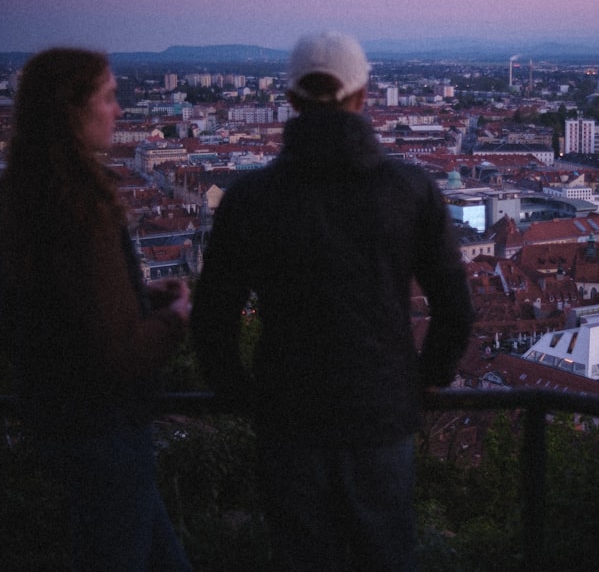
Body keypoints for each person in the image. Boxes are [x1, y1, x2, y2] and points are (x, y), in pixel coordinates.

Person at [191, 31, 474, 571]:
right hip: (380, 415)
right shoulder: (410, 190)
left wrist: (244, 395)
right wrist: (420, 382)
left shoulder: (248, 197)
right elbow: (454, 310)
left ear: (291, 100)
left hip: (288, 417)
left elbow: (213, 320)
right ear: (364, 96)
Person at [0, 48, 192, 571]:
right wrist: (177, 317)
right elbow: (118, 352)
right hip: (106, 426)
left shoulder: (15, 194)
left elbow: (58, 308)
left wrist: (139, 297)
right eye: (107, 98)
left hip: (54, 413)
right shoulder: (81, 205)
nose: (119, 111)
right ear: (70, 111)